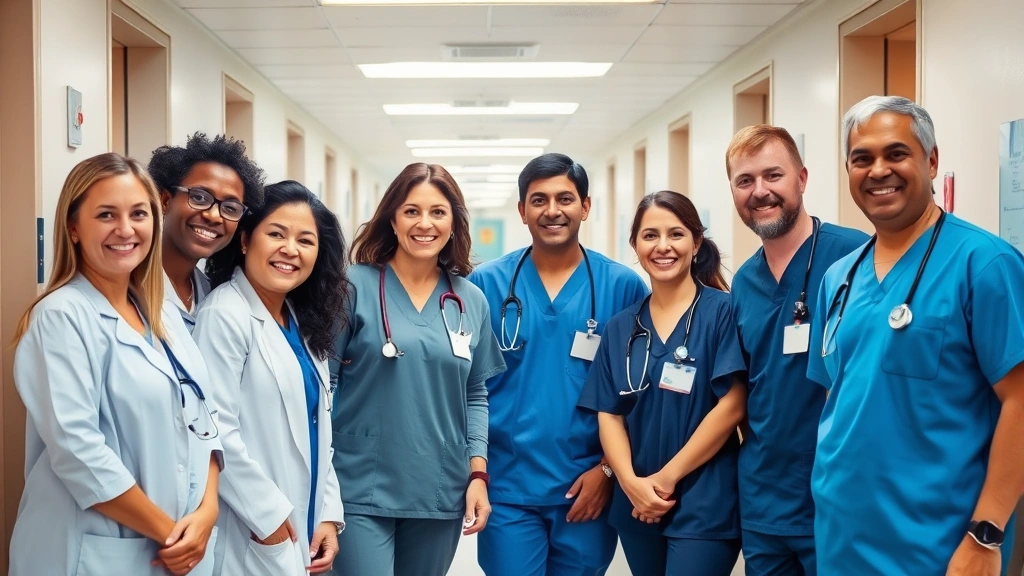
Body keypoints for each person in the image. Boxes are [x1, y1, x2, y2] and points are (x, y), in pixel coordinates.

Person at [806, 95, 1024, 575]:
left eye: (896, 153)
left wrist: (986, 534)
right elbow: (838, 402)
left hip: (940, 545)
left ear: (931, 160)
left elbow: (1021, 400)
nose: (878, 170)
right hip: (843, 538)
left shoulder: (984, 264)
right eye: (861, 158)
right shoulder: (837, 278)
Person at [10, 152, 222, 575]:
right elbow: (78, 450)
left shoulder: (158, 312)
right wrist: (171, 534)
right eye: (106, 214)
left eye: (138, 213)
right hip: (95, 550)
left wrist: (208, 512)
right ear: (73, 227)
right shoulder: (61, 316)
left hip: (178, 543)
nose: (125, 230)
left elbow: (205, 414)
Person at [468, 153, 647, 576]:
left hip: (587, 486)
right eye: (538, 200)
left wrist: (608, 469)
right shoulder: (486, 285)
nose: (552, 211)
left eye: (565, 198)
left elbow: (640, 393)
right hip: (508, 487)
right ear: (522, 211)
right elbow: (467, 388)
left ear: (586, 206)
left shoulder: (622, 286)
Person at [330, 162, 506, 576]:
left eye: (437, 212)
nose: (424, 223)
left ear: (453, 222)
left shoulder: (470, 300)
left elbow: (476, 393)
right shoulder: (351, 287)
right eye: (411, 211)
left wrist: (477, 472)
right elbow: (324, 381)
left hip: (439, 485)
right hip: (358, 483)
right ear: (392, 218)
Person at [578, 191, 746, 576]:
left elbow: (733, 405)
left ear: (696, 242)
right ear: (634, 244)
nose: (663, 246)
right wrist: (630, 482)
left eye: (676, 234)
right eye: (650, 235)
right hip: (637, 501)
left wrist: (666, 479)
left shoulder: (722, 312)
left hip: (705, 499)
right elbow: (609, 413)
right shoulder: (622, 326)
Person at [725, 125, 868, 575]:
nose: (760, 191)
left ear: (802, 179)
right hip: (764, 497)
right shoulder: (744, 282)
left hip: (837, 494)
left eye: (773, 175)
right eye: (745, 181)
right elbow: (742, 391)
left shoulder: (856, 258)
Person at [193, 181, 347, 575]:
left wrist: (328, 513)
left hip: (303, 524)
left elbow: (319, 430)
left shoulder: (300, 320)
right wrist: (270, 520)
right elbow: (215, 432)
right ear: (245, 240)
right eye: (276, 234)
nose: (290, 250)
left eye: (305, 240)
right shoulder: (225, 314)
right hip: (253, 527)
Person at [149, 132, 265, 331]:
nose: (213, 216)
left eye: (230, 208)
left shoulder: (209, 291)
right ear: (166, 201)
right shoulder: (127, 282)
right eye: (200, 197)